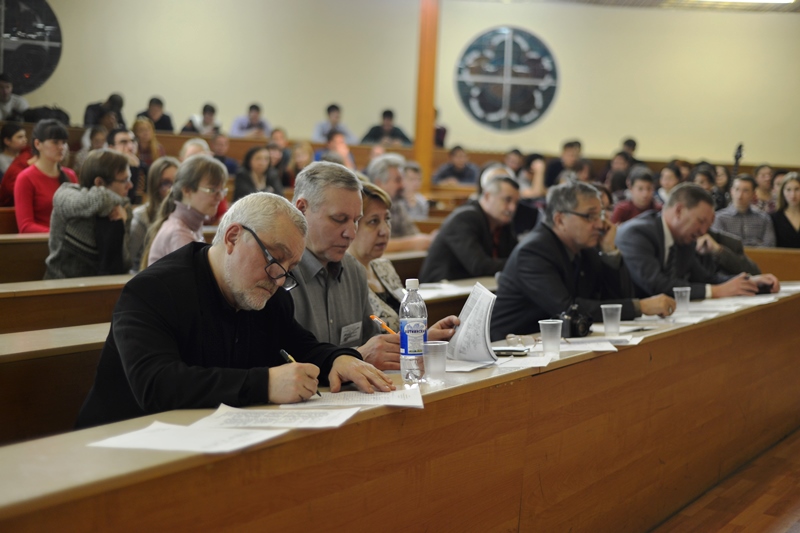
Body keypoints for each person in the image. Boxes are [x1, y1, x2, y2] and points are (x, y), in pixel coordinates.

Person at [75, 192, 394, 429]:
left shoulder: (269, 292)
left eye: (290, 267)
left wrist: (338, 359)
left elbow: (302, 345)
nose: (279, 277)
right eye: (275, 258)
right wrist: (265, 384)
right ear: (232, 237)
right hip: (120, 443)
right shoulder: (152, 290)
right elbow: (157, 384)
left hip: (212, 439)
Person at [289, 161, 456, 371]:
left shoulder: (354, 271)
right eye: (339, 219)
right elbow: (282, 365)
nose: (351, 233)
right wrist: (358, 356)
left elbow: (374, 346)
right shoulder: (279, 274)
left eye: (356, 220)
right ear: (302, 209)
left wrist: (418, 340)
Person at [490, 181, 675, 341]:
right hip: (508, 349)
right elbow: (567, 310)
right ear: (560, 219)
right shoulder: (533, 252)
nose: (600, 224)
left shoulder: (585, 248)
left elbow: (617, 299)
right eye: (590, 216)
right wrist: (641, 306)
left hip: (552, 344)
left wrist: (609, 252)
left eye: (601, 215)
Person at [616, 183, 779, 300]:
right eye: (700, 222)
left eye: (707, 225)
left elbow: (705, 278)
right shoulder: (636, 233)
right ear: (679, 210)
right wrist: (717, 291)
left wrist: (748, 282)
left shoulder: (684, 237)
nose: (703, 232)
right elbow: (656, 285)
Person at [349, 181, 460, 344]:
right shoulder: (343, 277)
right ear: (352, 225)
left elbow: (401, 333)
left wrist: (426, 336)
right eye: (373, 221)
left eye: (387, 219)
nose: (384, 230)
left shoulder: (384, 267)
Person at [45, 149, 132, 279]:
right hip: (61, 283)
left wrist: (121, 226)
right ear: (99, 183)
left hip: (103, 285)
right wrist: (117, 202)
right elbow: (99, 199)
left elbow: (124, 264)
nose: (130, 185)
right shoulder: (66, 195)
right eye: (124, 180)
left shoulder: (123, 208)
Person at [419, 171, 520, 283]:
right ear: (487, 196)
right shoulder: (464, 218)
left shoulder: (503, 223)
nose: (512, 208)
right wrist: (520, 263)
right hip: (440, 289)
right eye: (507, 200)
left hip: (474, 286)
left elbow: (515, 255)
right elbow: (478, 265)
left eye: (516, 203)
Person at [142, 154, 227, 268]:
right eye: (212, 190)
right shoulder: (178, 234)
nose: (220, 197)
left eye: (222, 190)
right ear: (187, 190)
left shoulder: (190, 225)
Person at [13, 119, 78, 232]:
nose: (62, 147)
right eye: (55, 142)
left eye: (64, 142)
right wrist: (61, 234)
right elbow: (26, 226)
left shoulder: (70, 175)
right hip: (42, 241)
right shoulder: (25, 178)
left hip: (69, 239)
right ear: (38, 144)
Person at [366, 153, 433, 252]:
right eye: (397, 180)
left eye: (402, 180)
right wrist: (412, 243)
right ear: (379, 183)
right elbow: (370, 245)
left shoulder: (397, 204)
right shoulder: (366, 207)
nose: (402, 185)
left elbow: (413, 234)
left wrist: (429, 239)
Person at [129, 156, 179, 271]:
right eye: (166, 183)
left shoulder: (184, 215)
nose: (172, 189)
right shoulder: (141, 217)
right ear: (154, 186)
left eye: (176, 182)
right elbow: (130, 263)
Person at [710, 175, 775, 248]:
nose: (740, 195)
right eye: (737, 189)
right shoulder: (720, 217)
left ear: (753, 194)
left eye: (745, 191)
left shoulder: (763, 218)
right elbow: (718, 244)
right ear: (731, 191)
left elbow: (769, 244)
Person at [107, 128, 144, 204]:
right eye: (123, 142)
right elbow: (126, 200)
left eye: (133, 141)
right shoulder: (105, 170)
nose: (130, 147)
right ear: (111, 148)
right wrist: (133, 169)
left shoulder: (143, 166)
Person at [771, 172, 800, 248]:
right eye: (788, 190)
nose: (793, 195)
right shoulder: (774, 218)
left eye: (797, 189)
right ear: (782, 192)